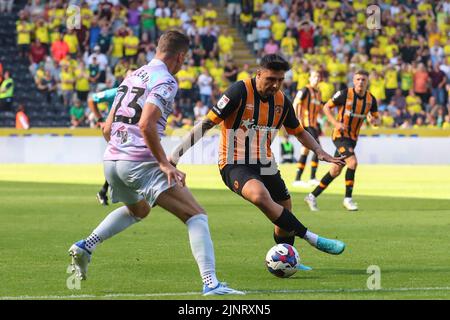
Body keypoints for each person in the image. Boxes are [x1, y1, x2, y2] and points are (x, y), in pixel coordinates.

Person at [68, 30, 243, 296]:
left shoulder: (132, 76)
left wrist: (123, 149)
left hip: (113, 160)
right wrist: (164, 163)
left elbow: (107, 128)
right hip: (140, 161)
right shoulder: (166, 80)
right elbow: (146, 124)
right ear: (180, 56)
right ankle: (211, 283)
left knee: (139, 210)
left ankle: (86, 245)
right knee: (196, 216)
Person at [170, 54, 346, 261]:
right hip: (234, 162)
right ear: (259, 74)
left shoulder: (281, 101)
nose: (275, 85)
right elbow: (206, 124)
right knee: (260, 196)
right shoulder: (239, 91)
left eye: (280, 80)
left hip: (265, 163)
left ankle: (287, 260)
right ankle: (311, 237)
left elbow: (298, 131)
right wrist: (174, 156)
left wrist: (319, 151)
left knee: (284, 214)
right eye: (271, 79)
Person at [304, 70, 380, 212]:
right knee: (353, 162)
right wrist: (335, 123)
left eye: (363, 79)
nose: (360, 82)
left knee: (335, 170)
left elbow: (376, 120)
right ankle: (348, 199)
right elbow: (326, 107)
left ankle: (311, 196)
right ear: (353, 80)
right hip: (339, 135)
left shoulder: (371, 99)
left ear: (367, 81)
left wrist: (374, 121)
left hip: (352, 139)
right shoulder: (345, 94)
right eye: (358, 79)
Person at [292, 70, 323, 188]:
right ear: (310, 78)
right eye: (315, 76)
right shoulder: (305, 90)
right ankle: (312, 178)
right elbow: (296, 103)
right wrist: (296, 120)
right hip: (305, 124)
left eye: (318, 76)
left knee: (305, 151)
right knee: (318, 148)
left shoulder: (318, 93)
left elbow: (318, 109)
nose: (317, 78)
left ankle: (297, 179)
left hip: (314, 125)